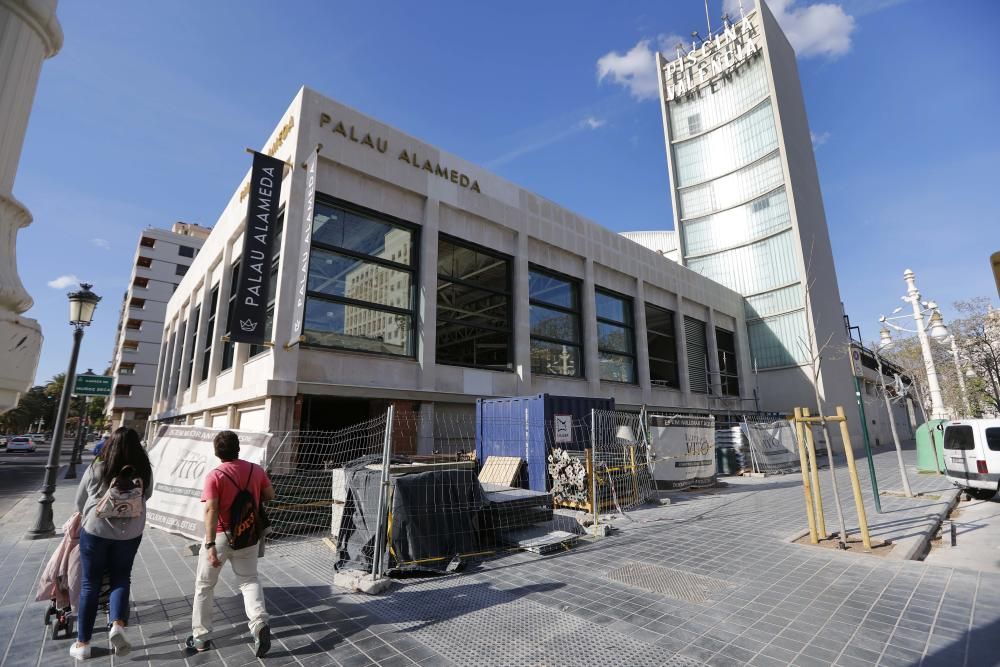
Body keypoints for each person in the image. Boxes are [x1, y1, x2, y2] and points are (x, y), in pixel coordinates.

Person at [187, 430, 275, 657]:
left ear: (217, 452)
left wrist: (209, 545)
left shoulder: (215, 475)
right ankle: (258, 623)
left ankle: (201, 637)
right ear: (238, 448)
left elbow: (211, 509)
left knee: (205, 586)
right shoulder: (255, 470)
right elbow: (270, 495)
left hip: (221, 536)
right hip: (248, 533)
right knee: (248, 580)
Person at [70, 427, 153, 661]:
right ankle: (117, 623)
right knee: (121, 578)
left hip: (96, 530)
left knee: (90, 583)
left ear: (111, 444)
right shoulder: (144, 470)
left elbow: (80, 500)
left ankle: (83, 643)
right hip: (131, 532)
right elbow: (148, 495)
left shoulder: (98, 466)